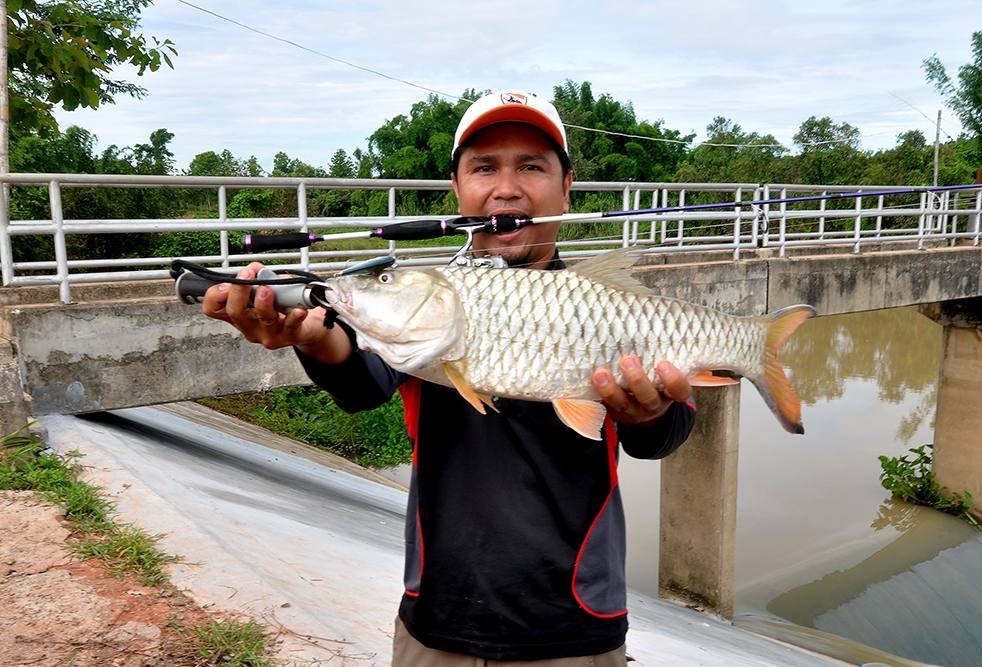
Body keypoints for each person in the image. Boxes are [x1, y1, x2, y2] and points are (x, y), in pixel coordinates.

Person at [203, 90, 695, 666]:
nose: (506, 187)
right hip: (437, 620)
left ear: (566, 188)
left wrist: (653, 413)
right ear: (458, 190)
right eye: (484, 167)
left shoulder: (603, 302)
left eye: (532, 166)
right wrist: (315, 338)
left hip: (577, 624)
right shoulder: (433, 298)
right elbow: (363, 381)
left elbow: (665, 434)